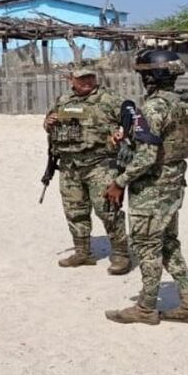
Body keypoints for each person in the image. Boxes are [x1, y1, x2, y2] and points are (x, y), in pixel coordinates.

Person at [104, 50, 188, 326]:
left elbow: (148, 156)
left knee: (147, 246)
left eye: (143, 74)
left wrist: (119, 182)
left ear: (151, 76)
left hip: (152, 187)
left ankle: (146, 307)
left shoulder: (153, 107)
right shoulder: (187, 103)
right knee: (170, 244)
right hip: (174, 181)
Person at [43, 67, 131, 274]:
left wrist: (122, 133)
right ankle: (83, 252)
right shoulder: (63, 100)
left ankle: (121, 254)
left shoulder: (108, 99)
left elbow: (132, 118)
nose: (87, 81)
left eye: (90, 77)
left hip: (99, 164)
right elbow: (49, 122)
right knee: (75, 211)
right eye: (82, 78)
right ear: (71, 80)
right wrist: (48, 123)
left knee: (108, 210)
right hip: (69, 166)